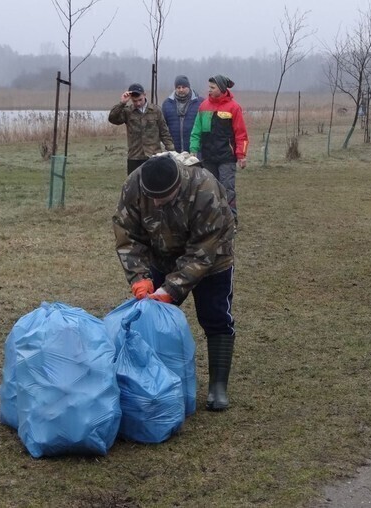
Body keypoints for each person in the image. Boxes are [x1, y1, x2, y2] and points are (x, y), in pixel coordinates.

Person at [113, 152, 237, 411]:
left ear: (178, 186)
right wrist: (140, 278)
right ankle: (151, 382)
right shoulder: (134, 185)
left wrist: (170, 289)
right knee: (150, 317)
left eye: (163, 197)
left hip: (212, 258)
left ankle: (218, 386)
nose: (156, 202)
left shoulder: (206, 189)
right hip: (161, 256)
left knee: (215, 316)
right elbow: (128, 235)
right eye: (152, 197)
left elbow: (202, 252)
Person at [190, 74, 249, 221]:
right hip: (208, 157)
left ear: (221, 89)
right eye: (209, 87)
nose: (208, 90)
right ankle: (212, 220)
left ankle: (230, 220)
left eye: (212, 87)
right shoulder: (203, 107)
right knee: (210, 189)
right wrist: (193, 149)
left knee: (227, 189)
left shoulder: (234, 108)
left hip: (227, 158)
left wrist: (241, 155)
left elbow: (240, 133)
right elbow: (196, 131)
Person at [108, 83, 175, 175]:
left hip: (153, 156)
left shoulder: (156, 110)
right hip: (134, 157)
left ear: (144, 94)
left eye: (140, 100)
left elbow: (164, 132)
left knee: (154, 185)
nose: (138, 103)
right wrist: (122, 103)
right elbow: (112, 118)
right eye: (135, 101)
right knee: (134, 186)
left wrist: (172, 151)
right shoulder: (127, 111)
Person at [161, 75, 202, 154]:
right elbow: (163, 128)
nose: (181, 90)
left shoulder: (200, 103)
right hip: (174, 151)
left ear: (189, 87)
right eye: (178, 87)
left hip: (195, 151)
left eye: (184, 87)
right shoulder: (167, 104)